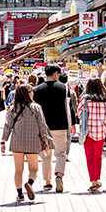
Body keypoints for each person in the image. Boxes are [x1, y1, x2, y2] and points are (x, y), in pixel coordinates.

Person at [1, 84, 52, 202]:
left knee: (18, 170)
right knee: (34, 169)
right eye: (31, 91)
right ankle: (29, 183)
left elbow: (8, 125)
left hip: (17, 141)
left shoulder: (13, 108)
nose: (33, 93)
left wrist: (3, 141)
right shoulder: (36, 108)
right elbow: (42, 126)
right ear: (28, 93)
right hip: (32, 141)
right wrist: (46, 140)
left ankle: (19, 194)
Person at [33, 63, 75, 193]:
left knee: (46, 155)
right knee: (60, 153)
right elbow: (69, 108)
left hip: (43, 127)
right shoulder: (64, 88)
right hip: (61, 125)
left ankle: (47, 182)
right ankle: (59, 175)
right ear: (56, 73)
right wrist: (72, 124)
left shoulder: (36, 90)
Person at [77, 78, 106, 192]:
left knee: (90, 157)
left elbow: (79, 113)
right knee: (98, 156)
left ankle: (94, 181)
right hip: (102, 131)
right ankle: (97, 178)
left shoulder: (86, 99)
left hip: (89, 132)